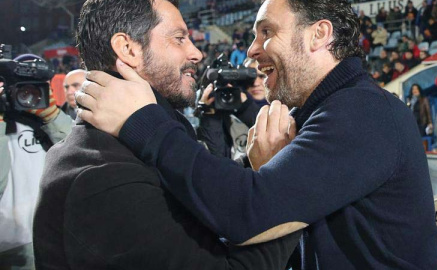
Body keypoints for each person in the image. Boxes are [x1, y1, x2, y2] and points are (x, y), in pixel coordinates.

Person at [78, 0, 437, 268]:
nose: (251, 50)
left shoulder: (364, 113)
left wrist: (144, 123)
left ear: (319, 34)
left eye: (266, 32)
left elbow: (248, 213)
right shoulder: (317, 112)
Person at [33, 1, 300, 269]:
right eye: (179, 39)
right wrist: (282, 187)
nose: (195, 53)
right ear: (128, 49)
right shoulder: (100, 176)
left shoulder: (130, 147)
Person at [0, 55, 73, 269]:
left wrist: (52, 115)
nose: (28, 94)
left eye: (36, 87)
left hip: (57, 236)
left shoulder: (52, 121)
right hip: (11, 243)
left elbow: (79, 156)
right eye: (21, 88)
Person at [196, 58, 267, 160]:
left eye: (262, 76)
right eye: (251, 78)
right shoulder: (225, 108)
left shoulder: (285, 110)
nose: (255, 83)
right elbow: (217, 158)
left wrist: (246, 106)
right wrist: (210, 114)